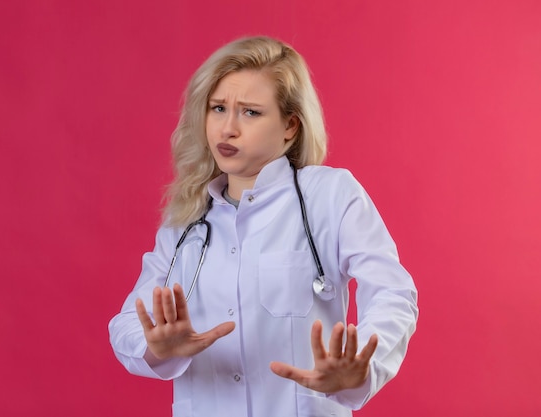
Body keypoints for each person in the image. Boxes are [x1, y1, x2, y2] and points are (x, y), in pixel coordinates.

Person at [108, 36, 418, 417]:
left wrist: (360, 365)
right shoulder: (187, 222)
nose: (227, 129)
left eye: (250, 112)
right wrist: (157, 347)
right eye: (218, 108)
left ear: (290, 126)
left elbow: (393, 292)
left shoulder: (329, 195)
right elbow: (125, 326)